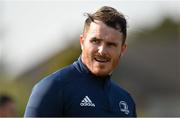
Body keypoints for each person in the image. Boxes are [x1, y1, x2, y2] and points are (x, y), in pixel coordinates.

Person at [24, 6, 136, 117]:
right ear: (82, 42)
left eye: (111, 44)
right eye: (95, 41)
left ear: (122, 49)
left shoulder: (126, 100)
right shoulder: (52, 88)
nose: (102, 51)